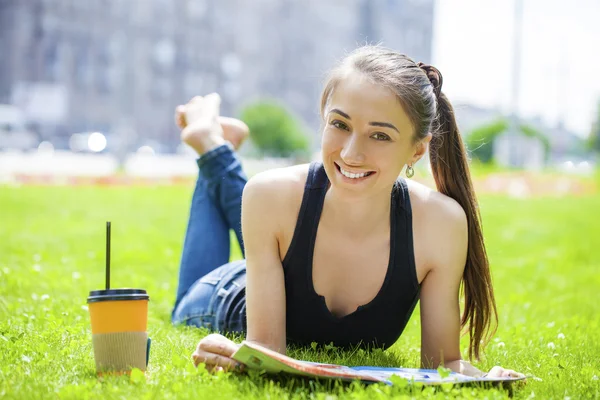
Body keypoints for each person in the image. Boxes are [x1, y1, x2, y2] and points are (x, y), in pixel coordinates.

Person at [171, 46, 524, 378]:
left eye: (380, 136)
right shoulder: (270, 194)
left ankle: (215, 144)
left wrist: (483, 379)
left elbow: (441, 366)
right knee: (259, 206)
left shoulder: (440, 223)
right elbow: (267, 351)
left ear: (417, 151)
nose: (352, 153)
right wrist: (232, 355)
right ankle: (210, 144)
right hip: (219, 296)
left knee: (277, 201)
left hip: (274, 245)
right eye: (340, 125)